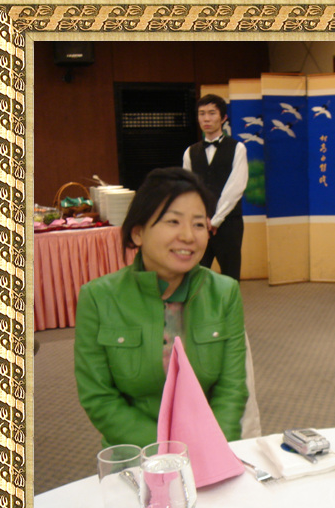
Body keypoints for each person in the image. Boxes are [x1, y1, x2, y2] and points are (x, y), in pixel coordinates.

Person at [75, 168, 248, 448]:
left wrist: (213, 449)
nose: (188, 236)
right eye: (173, 221)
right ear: (138, 233)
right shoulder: (98, 298)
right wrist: (167, 452)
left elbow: (232, 390)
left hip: (209, 449)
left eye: (199, 224)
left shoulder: (224, 293)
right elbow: (99, 398)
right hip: (136, 453)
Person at [183, 93, 248, 281]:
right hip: (198, 224)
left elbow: (236, 187)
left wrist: (216, 219)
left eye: (212, 113)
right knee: (194, 276)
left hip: (228, 223)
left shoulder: (237, 148)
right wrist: (201, 217)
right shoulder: (190, 152)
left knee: (230, 276)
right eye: (201, 113)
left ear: (223, 118)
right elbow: (188, 189)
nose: (206, 118)